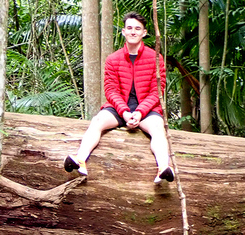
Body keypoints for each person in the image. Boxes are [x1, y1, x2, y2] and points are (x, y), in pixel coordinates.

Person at [64, 12, 173, 183]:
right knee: (98, 121)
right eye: (129, 28)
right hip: (118, 108)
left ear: (144, 33)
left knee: (158, 128)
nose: (133, 32)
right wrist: (124, 113)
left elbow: (157, 91)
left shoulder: (155, 58)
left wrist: (139, 112)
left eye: (137, 29)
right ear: (123, 31)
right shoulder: (113, 59)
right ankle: (80, 160)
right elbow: (110, 90)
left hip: (146, 109)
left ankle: (163, 168)